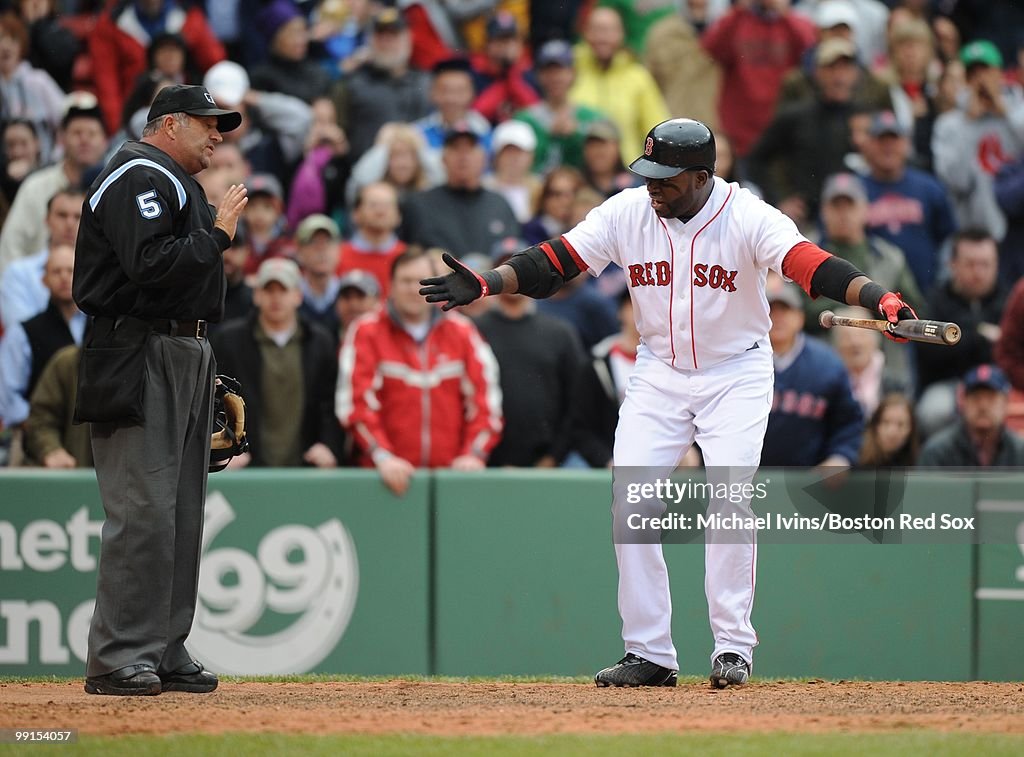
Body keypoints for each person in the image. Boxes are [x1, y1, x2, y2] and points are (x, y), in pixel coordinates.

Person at [419, 117, 918, 689]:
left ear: (703, 176)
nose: (652, 186)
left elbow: (814, 266)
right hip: (659, 369)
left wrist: (880, 298)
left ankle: (733, 647)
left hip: (736, 370)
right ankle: (649, 652)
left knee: (728, 494)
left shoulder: (748, 216)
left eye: (666, 177)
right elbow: (555, 262)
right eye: (648, 173)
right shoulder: (630, 210)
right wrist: (488, 282)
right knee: (630, 497)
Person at [72, 83, 248, 696]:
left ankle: (163, 648)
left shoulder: (176, 183)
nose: (217, 135)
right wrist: (220, 235)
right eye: (207, 124)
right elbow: (151, 264)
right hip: (140, 349)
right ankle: (120, 655)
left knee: (179, 512)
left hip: (180, 347)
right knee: (143, 510)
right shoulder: (138, 175)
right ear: (169, 124)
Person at [336, 248, 503, 496]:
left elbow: (485, 403)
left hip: (452, 480)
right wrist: (383, 456)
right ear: (390, 285)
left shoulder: (463, 332)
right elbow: (356, 405)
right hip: (382, 481)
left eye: (422, 280)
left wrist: (473, 455)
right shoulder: (366, 332)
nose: (414, 289)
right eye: (405, 281)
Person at [210, 257, 344, 468]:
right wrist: (226, 448)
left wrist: (329, 445)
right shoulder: (229, 340)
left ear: (298, 296)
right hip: (245, 466)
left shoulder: (320, 341)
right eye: (268, 290)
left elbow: (329, 403)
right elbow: (215, 401)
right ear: (256, 295)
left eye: (283, 290)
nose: (276, 298)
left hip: (306, 464)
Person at [474, 283, 585, 467]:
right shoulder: (473, 330)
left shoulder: (560, 333)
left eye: (516, 272)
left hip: (549, 462)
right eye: (504, 271)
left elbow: (577, 400)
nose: (511, 281)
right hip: (483, 462)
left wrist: (554, 457)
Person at [761, 280, 864, 467]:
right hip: (740, 478)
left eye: (785, 310)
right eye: (769, 310)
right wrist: (694, 451)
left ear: (800, 317)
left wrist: (840, 456)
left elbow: (848, 421)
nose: (777, 317)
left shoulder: (827, 365)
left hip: (809, 483)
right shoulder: (735, 360)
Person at [916, 229, 1007, 438]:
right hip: (949, 383)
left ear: (997, 265)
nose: (978, 272)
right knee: (933, 412)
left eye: (985, 264)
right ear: (952, 264)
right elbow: (928, 352)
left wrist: (960, 337)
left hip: (1000, 384)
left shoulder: (1010, 300)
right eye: (970, 264)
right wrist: (978, 335)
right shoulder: (935, 302)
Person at [0, 98, 108, 274]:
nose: (84, 140)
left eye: (92, 133)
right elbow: (11, 247)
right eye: (77, 133)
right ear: (62, 139)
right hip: (37, 287)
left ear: (105, 141)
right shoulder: (35, 186)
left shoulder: (118, 188)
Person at [859, 110, 956, 293]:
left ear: (906, 144)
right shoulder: (855, 191)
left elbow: (948, 237)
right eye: (881, 141)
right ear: (869, 145)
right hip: (872, 295)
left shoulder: (929, 187)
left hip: (926, 291)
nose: (888, 147)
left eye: (894, 140)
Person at [399, 123, 519, 259]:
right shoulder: (418, 205)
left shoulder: (499, 204)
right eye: (455, 148)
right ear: (443, 158)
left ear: (483, 158)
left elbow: (514, 253)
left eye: (470, 148)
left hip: (491, 278)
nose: (463, 156)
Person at [0, 244, 85, 431]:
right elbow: (8, 397)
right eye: (56, 271)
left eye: (71, 270)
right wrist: (42, 434)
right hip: (35, 441)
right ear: (44, 279)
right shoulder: (24, 332)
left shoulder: (97, 326)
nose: (64, 277)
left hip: (90, 440)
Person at [569, 7, 669, 167]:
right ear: (585, 33)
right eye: (597, 30)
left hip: (626, 173)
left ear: (621, 34)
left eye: (609, 31)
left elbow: (658, 130)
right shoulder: (570, 69)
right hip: (577, 172)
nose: (602, 37)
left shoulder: (638, 77)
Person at [513, 39, 606, 174]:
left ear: (572, 73)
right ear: (539, 75)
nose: (555, 78)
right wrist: (549, 135)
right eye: (548, 71)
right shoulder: (524, 120)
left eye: (560, 70)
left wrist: (576, 134)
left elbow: (604, 162)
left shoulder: (591, 117)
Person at [571, 288, 640, 468]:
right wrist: (606, 460)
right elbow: (580, 427)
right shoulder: (597, 364)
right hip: (607, 461)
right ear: (621, 312)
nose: (644, 313)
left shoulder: (677, 364)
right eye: (634, 305)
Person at [0, 188, 83, 330]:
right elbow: (21, 333)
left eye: (78, 217)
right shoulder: (18, 274)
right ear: (47, 220)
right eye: (62, 215)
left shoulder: (100, 273)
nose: (70, 224)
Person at [917, 364, 1024, 466]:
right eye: (976, 398)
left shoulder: (1020, 451)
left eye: (991, 398)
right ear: (963, 402)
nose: (983, 406)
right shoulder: (937, 452)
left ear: (1005, 403)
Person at [23, 344, 92, 468]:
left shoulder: (136, 369)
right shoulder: (68, 362)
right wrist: (51, 449)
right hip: (75, 474)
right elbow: (40, 418)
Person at [336, 181, 407, 298]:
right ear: (355, 214)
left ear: (399, 215)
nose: (380, 211)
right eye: (373, 205)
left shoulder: (408, 259)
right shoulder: (337, 257)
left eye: (387, 205)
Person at [858, 392, 919, 467]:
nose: (892, 432)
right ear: (875, 425)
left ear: (910, 429)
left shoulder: (916, 460)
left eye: (900, 425)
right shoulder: (856, 456)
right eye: (886, 422)